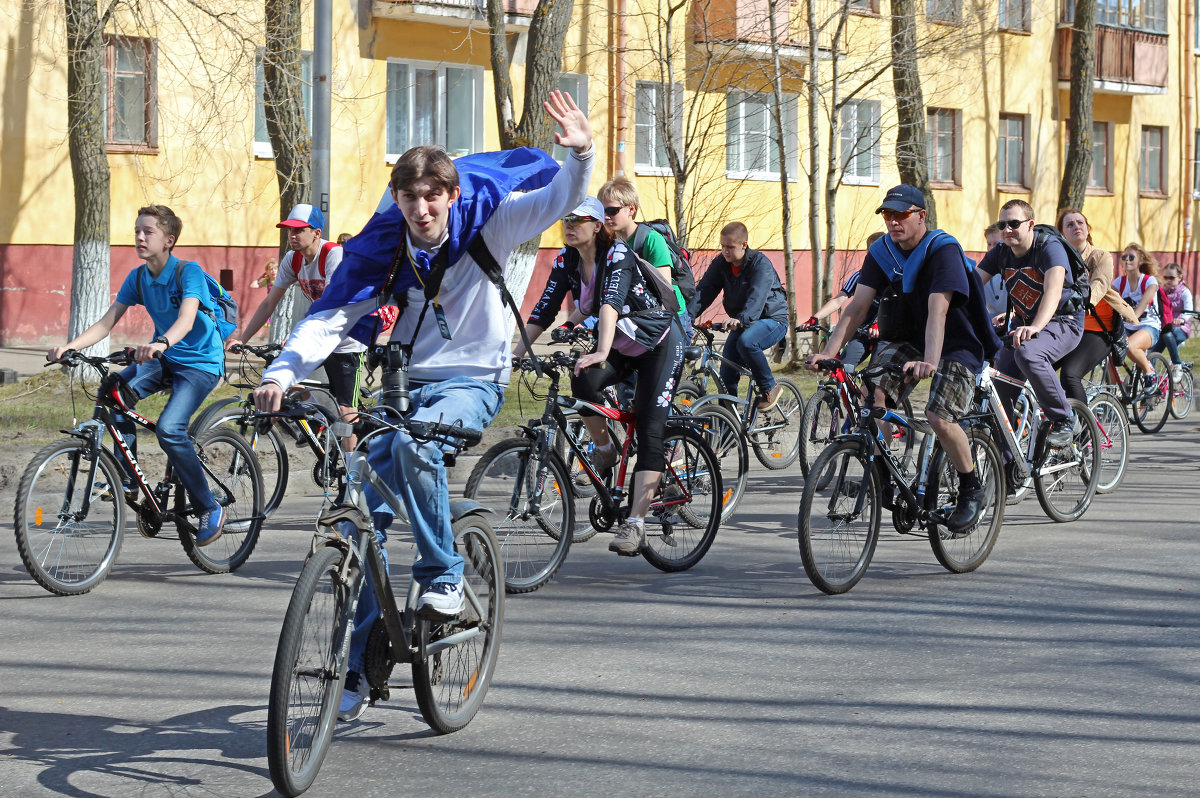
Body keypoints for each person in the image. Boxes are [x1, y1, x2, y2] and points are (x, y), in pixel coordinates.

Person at [252, 90, 594, 722]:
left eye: (432, 196)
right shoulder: (385, 245)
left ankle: (443, 573)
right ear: (399, 201)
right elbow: (330, 317)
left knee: (413, 448)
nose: (421, 208)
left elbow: (556, 202)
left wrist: (580, 156)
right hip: (405, 383)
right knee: (363, 521)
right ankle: (351, 671)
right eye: (410, 198)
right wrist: (280, 371)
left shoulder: (491, 222)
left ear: (451, 195)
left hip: (472, 382)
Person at [807, 185, 1000, 533]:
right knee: (871, 395)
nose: (894, 222)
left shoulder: (942, 250)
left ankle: (972, 488)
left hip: (957, 343)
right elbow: (857, 307)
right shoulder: (882, 252)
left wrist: (930, 361)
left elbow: (937, 310)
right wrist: (828, 353)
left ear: (921, 216)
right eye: (888, 215)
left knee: (938, 416)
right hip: (910, 340)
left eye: (901, 215)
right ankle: (882, 476)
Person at [46, 205, 227, 545]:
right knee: (111, 392)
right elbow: (106, 322)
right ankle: (127, 478)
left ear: (169, 241)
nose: (140, 237)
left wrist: (160, 342)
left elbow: (187, 319)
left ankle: (209, 506)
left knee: (170, 430)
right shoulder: (139, 277)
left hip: (200, 362)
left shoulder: (188, 272)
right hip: (164, 357)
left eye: (149, 232)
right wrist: (69, 347)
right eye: (137, 231)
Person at [515, 196, 685, 555]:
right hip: (623, 344)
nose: (570, 224)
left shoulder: (618, 254)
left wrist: (602, 350)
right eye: (566, 218)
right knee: (583, 375)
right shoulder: (566, 260)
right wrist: (515, 355)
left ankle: (635, 524)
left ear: (597, 226)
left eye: (579, 218)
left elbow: (609, 302)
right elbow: (544, 310)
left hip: (658, 343)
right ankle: (605, 449)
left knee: (650, 426)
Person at [227, 204, 365, 449]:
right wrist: (243, 338)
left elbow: (329, 304)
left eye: (299, 230)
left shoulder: (334, 255)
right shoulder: (293, 259)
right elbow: (270, 301)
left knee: (346, 410)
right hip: (319, 336)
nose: (292, 235)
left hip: (347, 339)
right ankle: (318, 419)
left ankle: (352, 474)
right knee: (284, 376)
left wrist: (296, 336)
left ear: (316, 233)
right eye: (289, 230)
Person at [976, 200, 1084, 451]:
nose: (1007, 230)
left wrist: (1035, 327)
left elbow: (1053, 291)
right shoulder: (1001, 252)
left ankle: (1064, 418)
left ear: (1030, 225)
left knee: (1029, 354)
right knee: (998, 389)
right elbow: (971, 286)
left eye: (1014, 224)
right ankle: (1006, 465)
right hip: (1022, 325)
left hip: (1063, 321)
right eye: (1003, 225)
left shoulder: (1049, 247)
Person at [693, 222, 788, 407]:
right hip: (744, 323)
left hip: (772, 319)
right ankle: (729, 429)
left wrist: (741, 319)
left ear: (744, 244)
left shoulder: (760, 264)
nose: (725, 251)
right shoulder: (721, 263)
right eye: (722, 246)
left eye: (730, 247)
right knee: (727, 376)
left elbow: (757, 297)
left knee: (747, 342)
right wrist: (687, 317)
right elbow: (704, 291)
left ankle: (770, 387)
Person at [1053, 208, 1138, 402]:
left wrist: (1084, 302)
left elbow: (1100, 283)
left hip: (1097, 328)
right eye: (1070, 224)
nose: (1076, 227)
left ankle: (1083, 430)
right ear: (1062, 234)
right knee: (1035, 367)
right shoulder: (1057, 259)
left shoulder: (1100, 256)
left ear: (1087, 228)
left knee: (1070, 375)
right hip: (1067, 326)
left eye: (1080, 223)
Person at [598, 176, 693, 331]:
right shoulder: (609, 243)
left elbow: (664, 288)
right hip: (634, 314)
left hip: (668, 317)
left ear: (631, 209)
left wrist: (657, 325)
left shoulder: (651, 239)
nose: (606, 216)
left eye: (612, 211)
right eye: (603, 211)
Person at [804, 232, 885, 371]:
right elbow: (838, 301)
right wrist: (815, 318)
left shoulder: (894, 276)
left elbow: (893, 306)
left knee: (875, 375)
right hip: (861, 333)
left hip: (884, 334)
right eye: (872, 252)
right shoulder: (861, 276)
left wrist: (878, 323)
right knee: (841, 369)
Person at [1114, 243, 1162, 398]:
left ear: (1140, 261)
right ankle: (1113, 390)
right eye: (1124, 257)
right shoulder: (1119, 283)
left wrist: (1131, 314)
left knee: (1130, 346)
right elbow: (1107, 301)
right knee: (1107, 351)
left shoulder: (1149, 281)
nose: (1126, 260)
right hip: (1128, 326)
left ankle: (1150, 373)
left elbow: (1141, 307)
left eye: (1131, 257)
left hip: (1149, 326)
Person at [1151, 262, 1194, 382]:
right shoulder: (1162, 291)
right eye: (1166, 277)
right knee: (1152, 353)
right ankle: (1150, 377)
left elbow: (1189, 310)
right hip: (1165, 328)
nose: (1168, 280)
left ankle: (1177, 364)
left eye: (1172, 277)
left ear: (1180, 277)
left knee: (1167, 334)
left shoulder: (1184, 292)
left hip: (1181, 329)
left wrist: (1181, 319)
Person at [981, 223, 1008, 321]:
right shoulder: (982, 270)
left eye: (996, 244)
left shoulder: (1014, 270)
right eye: (989, 244)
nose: (991, 249)